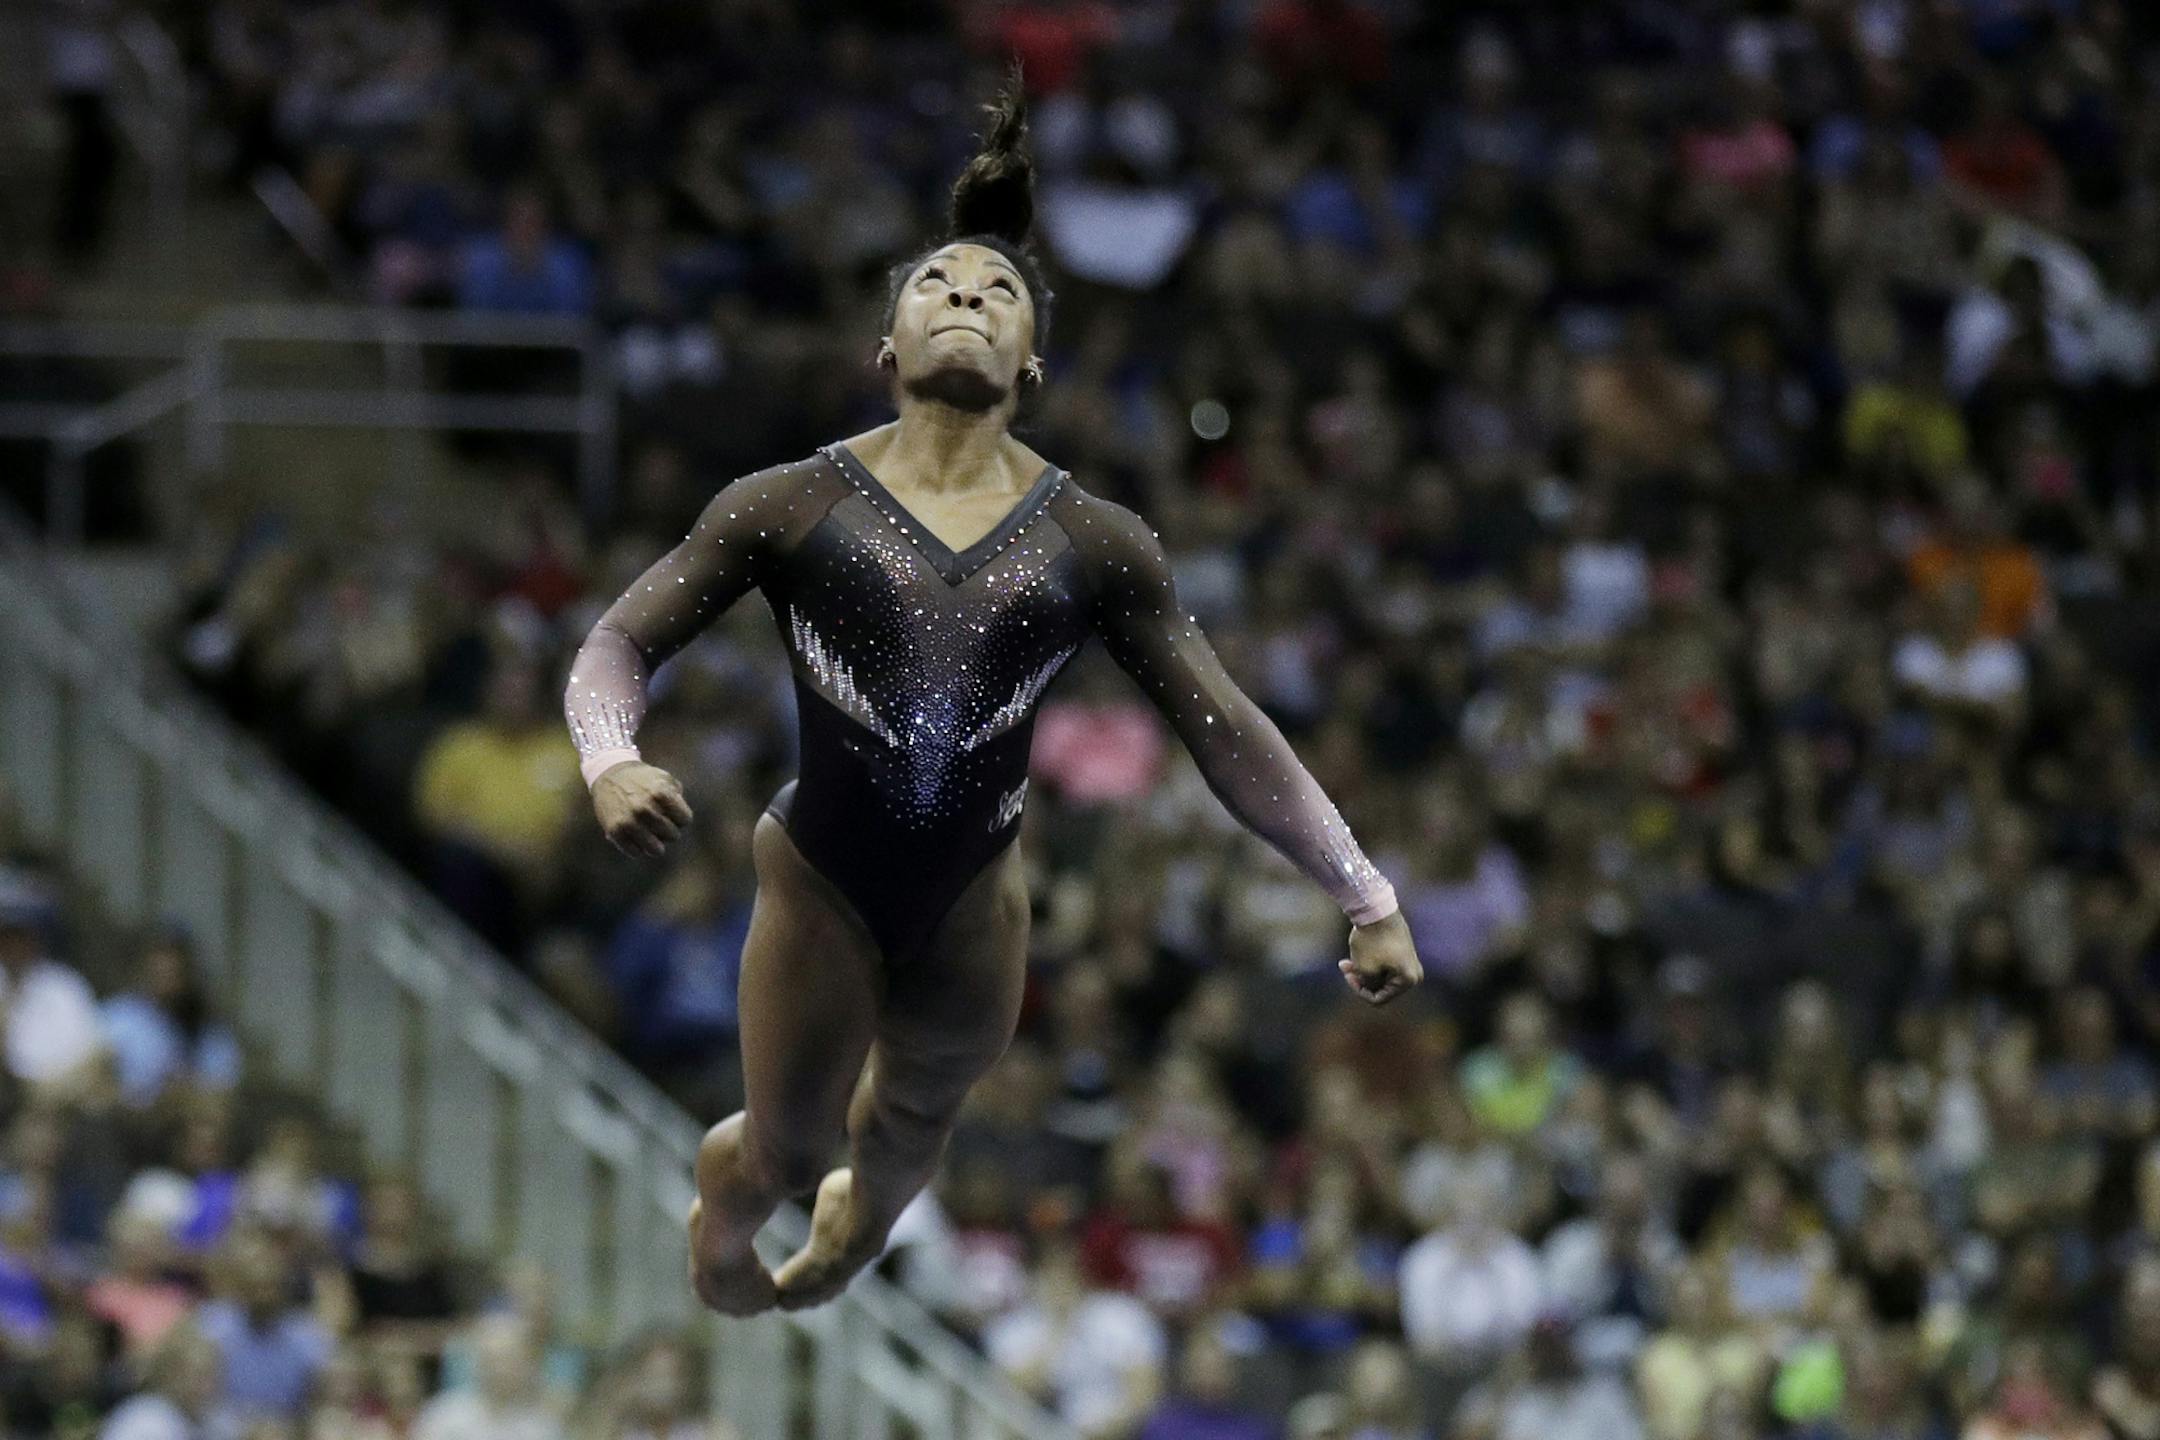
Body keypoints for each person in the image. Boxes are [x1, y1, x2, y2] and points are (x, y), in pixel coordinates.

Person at [562, 74, 1420, 1317]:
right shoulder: (789, 504)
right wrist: (610, 756)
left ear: (1033, 362)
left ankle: (858, 1231)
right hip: (825, 883)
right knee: (788, 1153)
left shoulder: (1094, 539)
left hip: (976, 899)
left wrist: (1364, 892)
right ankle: (726, 1217)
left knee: (911, 1131)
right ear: (886, 347)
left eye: (998, 291)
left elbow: (1227, 728)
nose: (967, 296)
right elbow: (617, 641)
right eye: (938, 284)